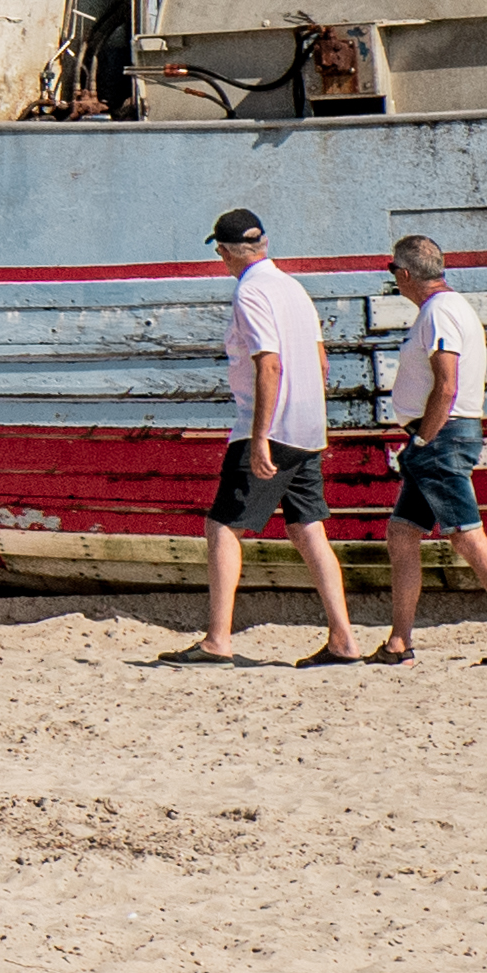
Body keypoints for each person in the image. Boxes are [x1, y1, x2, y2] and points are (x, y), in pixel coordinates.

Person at [163, 207, 364, 665]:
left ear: (223, 252)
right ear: (265, 243)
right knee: (307, 527)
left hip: (272, 425)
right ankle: (344, 639)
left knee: (224, 524)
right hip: (309, 427)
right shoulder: (293, 289)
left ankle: (217, 640)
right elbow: (320, 361)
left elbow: (268, 363)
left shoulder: (250, 293)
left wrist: (259, 436)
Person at [373, 232, 487, 667]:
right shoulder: (447, 308)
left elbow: (446, 386)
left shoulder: (440, 313)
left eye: (393, 270)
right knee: (402, 533)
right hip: (439, 437)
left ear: (405, 274)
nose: (393, 278)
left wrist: (424, 439)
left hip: (441, 438)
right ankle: (399, 643)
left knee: (468, 537)